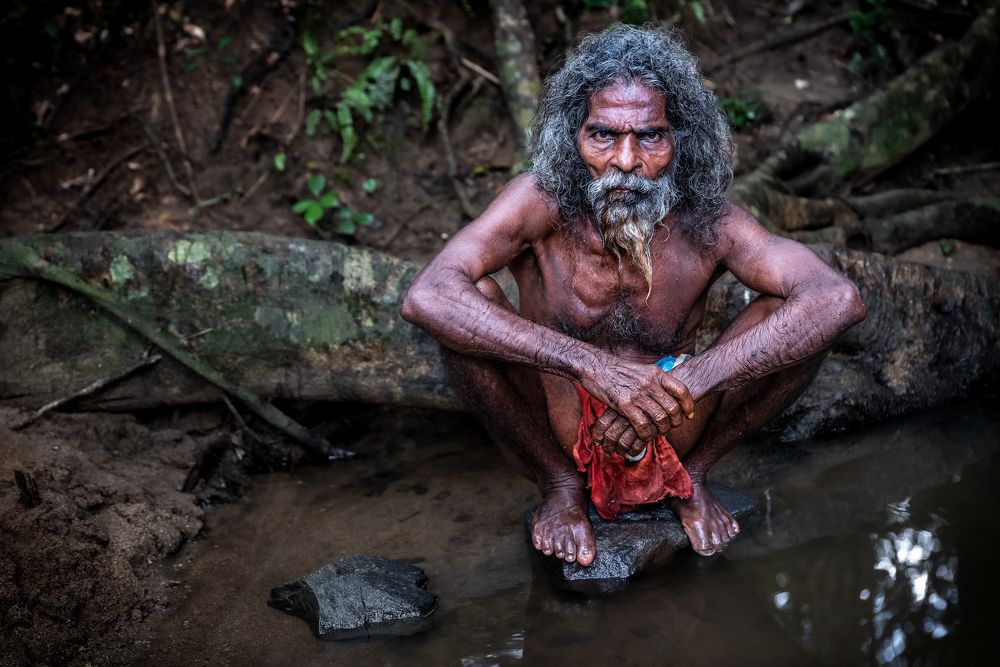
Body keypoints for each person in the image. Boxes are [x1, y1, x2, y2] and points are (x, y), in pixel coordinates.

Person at [400, 24, 866, 565]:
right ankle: (558, 487)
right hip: (557, 427)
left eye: (649, 137)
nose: (625, 160)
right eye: (603, 135)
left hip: (676, 422)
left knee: (798, 320)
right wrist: (586, 363)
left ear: (679, 140)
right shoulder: (540, 199)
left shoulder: (711, 221)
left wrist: (692, 377)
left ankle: (691, 477)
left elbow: (836, 298)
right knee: (467, 300)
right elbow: (428, 294)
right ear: (573, 137)